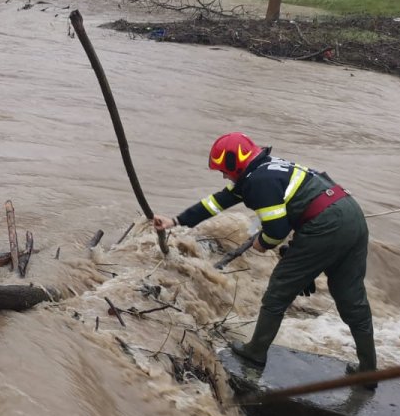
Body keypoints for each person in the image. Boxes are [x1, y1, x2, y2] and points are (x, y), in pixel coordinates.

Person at [153, 132, 376, 380]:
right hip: (351, 215)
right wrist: (175, 221)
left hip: (325, 225)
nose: (224, 176)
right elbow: (216, 203)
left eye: (223, 170)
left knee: (278, 292)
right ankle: (368, 368)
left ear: (234, 162)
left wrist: (262, 243)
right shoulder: (263, 170)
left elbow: (277, 230)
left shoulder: (259, 182)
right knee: (351, 297)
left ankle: (255, 352)